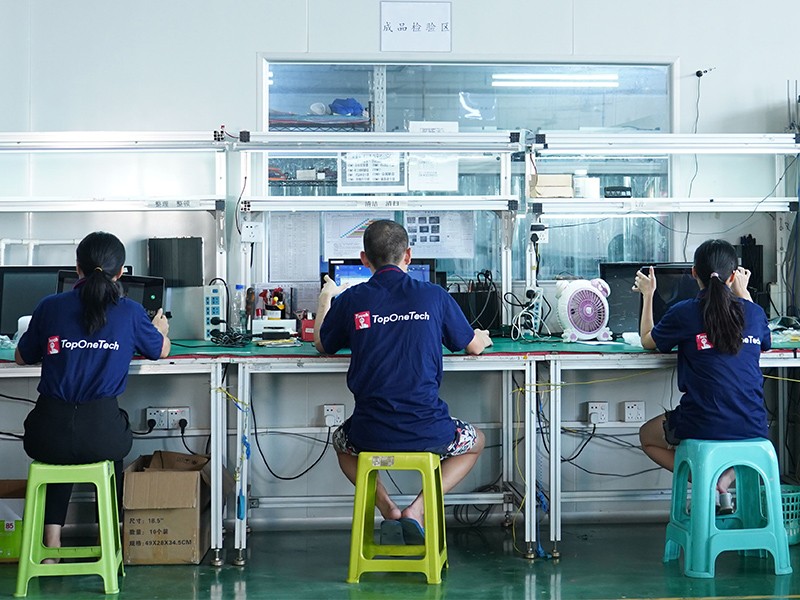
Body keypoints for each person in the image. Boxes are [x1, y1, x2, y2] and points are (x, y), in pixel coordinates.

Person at [314, 219, 492, 543]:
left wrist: (326, 297)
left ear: (364, 259)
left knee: (340, 442)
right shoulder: (434, 296)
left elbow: (322, 345)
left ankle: (388, 508)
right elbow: (474, 346)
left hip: (368, 433)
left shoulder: (352, 299)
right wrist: (482, 335)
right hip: (430, 431)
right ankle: (417, 509)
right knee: (477, 440)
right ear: (408, 255)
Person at [15, 231, 170, 553]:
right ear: (121, 272)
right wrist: (160, 330)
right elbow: (160, 351)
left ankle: (51, 545)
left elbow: (21, 356)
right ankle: (107, 538)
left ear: (77, 268)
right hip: (103, 435)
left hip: (46, 434)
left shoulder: (49, 306)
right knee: (108, 442)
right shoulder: (130, 312)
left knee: (58, 456)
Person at [634, 239, 770, 513]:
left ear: (694, 272)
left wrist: (648, 295)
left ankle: (706, 481)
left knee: (646, 436)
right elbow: (764, 342)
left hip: (701, 421)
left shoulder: (684, 311)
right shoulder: (754, 313)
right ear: (733, 276)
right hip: (754, 425)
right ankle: (722, 481)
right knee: (737, 440)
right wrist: (743, 293)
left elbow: (648, 340)